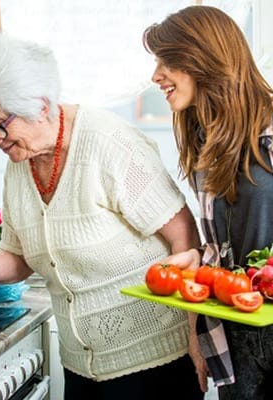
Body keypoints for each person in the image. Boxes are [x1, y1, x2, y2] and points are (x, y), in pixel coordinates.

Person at [0, 34, 204, 400]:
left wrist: (197, 338)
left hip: (154, 363)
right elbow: (19, 259)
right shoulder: (19, 163)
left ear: (39, 105)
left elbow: (185, 239)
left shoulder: (109, 143)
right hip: (80, 367)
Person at [143, 5, 273, 400]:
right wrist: (198, 262)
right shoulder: (207, 141)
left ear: (204, 58)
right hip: (235, 335)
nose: (155, 76)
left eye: (167, 61)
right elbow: (229, 249)